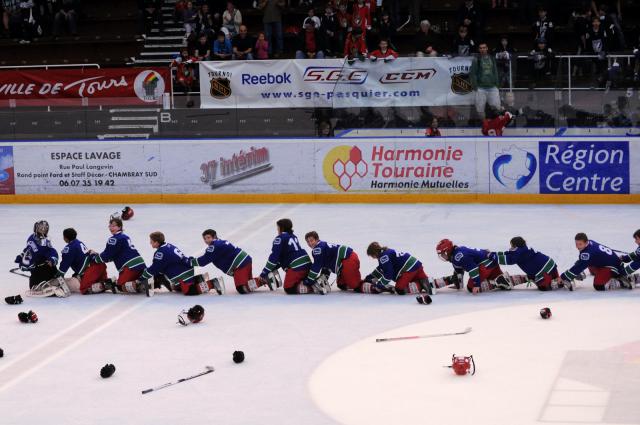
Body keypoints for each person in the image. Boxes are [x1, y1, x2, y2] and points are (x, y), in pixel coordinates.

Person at [187, 229, 273, 294]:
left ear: (214, 236)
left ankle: (266, 279)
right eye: (205, 238)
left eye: (208, 237)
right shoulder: (219, 242)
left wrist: (190, 262)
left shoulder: (213, 247)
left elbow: (203, 261)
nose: (206, 240)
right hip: (244, 261)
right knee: (248, 284)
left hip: (240, 265)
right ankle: (264, 279)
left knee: (242, 288)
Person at [138, 231, 222, 295]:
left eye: (151, 241)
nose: (150, 243)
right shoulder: (167, 245)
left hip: (182, 273)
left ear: (156, 242)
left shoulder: (160, 253)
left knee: (188, 291)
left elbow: (154, 268)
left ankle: (213, 283)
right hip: (186, 269)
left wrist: (142, 277)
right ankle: (198, 279)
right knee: (177, 288)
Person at [488, 236, 571, 291]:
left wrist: (492, 256)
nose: (511, 247)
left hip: (544, 270)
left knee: (544, 287)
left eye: (512, 245)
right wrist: (493, 253)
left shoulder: (519, 253)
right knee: (552, 278)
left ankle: (565, 281)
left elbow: (509, 260)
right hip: (549, 265)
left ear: (516, 245)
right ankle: (562, 279)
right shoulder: (522, 249)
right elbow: (508, 253)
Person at [89, 217, 148, 294]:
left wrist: (94, 258)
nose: (111, 228)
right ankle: (143, 282)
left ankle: (140, 285)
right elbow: (113, 255)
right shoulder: (125, 236)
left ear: (119, 227)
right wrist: (98, 255)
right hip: (140, 264)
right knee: (133, 281)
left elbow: (106, 256)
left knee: (120, 286)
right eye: (110, 226)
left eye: (114, 226)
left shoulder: (114, 239)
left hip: (130, 267)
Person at [436, 238, 511, 294]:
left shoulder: (459, 256)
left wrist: (477, 285)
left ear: (447, 251)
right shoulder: (457, 252)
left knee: (470, 287)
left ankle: (497, 282)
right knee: (498, 278)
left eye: (443, 254)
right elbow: (459, 271)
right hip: (492, 263)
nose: (442, 256)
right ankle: (499, 279)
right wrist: (458, 284)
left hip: (485, 266)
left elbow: (473, 269)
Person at [560, 233, 632, 291]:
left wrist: (563, 277)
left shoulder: (587, 253)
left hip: (614, 268)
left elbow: (580, 265)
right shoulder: (590, 242)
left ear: (586, 242)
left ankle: (623, 281)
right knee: (586, 263)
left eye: (580, 244)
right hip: (608, 263)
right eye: (576, 244)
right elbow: (584, 261)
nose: (577, 246)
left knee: (598, 285)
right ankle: (576, 273)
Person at [260, 218, 314, 295]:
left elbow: (273, 258)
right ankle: (309, 282)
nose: (277, 229)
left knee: (289, 288)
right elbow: (284, 257)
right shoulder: (293, 236)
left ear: (282, 228)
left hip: (297, 268)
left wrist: (264, 273)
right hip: (307, 264)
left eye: (278, 227)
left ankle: (313, 286)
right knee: (297, 282)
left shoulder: (279, 238)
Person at [58, 228, 115, 295]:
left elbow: (65, 264)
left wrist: (59, 275)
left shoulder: (69, 248)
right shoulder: (78, 242)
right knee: (98, 281)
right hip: (100, 266)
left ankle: (106, 285)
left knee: (84, 289)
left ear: (65, 238)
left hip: (93, 268)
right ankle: (108, 282)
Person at [364, 242, 433, 295]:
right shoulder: (386, 252)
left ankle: (421, 285)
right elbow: (382, 268)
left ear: (374, 253)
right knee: (424, 283)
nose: (373, 258)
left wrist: (380, 284)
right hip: (416, 266)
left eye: (372, 256)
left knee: (400, 289)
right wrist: (370, 277)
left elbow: (389, 275)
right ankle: (428, 282)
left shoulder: (383, 257)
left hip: (410, 270)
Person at [14, 220, 59, 289]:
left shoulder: (45, 240)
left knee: (51, 271)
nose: (43, 230)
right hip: (37, 267)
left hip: (45, 265)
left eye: (45, 228)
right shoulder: (32, 238)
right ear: (36, 228)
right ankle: (40, 284)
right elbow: (28, 250)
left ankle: (54, 281)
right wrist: (22, 257)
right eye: (41, 228)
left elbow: (51, 251)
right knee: (34, 284)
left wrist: (52, 260)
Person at [469, 42, 500, 119]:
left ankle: (495, 125)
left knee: (497, 108)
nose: (482, 49)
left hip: (492, 87)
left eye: (484, 47)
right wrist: (475, 87)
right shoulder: (476, 60)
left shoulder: (492, 58)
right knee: (480, 110)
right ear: (479, 49)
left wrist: (497, 84)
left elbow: (495, 71)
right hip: (481, 88)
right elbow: (473, 74)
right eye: (481, 48)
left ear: (487, 48)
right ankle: (485, 124)